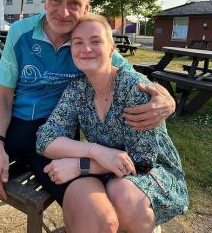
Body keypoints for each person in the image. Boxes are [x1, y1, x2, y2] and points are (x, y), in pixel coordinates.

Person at [0, 0, 175, 231]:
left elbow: (128, 73)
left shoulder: (85, 40)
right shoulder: (20, 32)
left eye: (74, 4)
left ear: (86, 7)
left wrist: (166, 99)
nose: (63, 12)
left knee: (99, 220)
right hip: (13, 129)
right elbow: (3, 97)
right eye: (55, 0)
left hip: (57, 139)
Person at [36, 13, 189, 233]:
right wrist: (94, 150)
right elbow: (45, 139)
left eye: (95, 41)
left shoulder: (132, 88)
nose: (86, 48)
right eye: (78, 42)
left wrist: (80, 165)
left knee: (121, 193)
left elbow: (142, 162)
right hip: (106, 168)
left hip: (150, 172)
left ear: (111, 49)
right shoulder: (78, 90)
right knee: (88, 206)